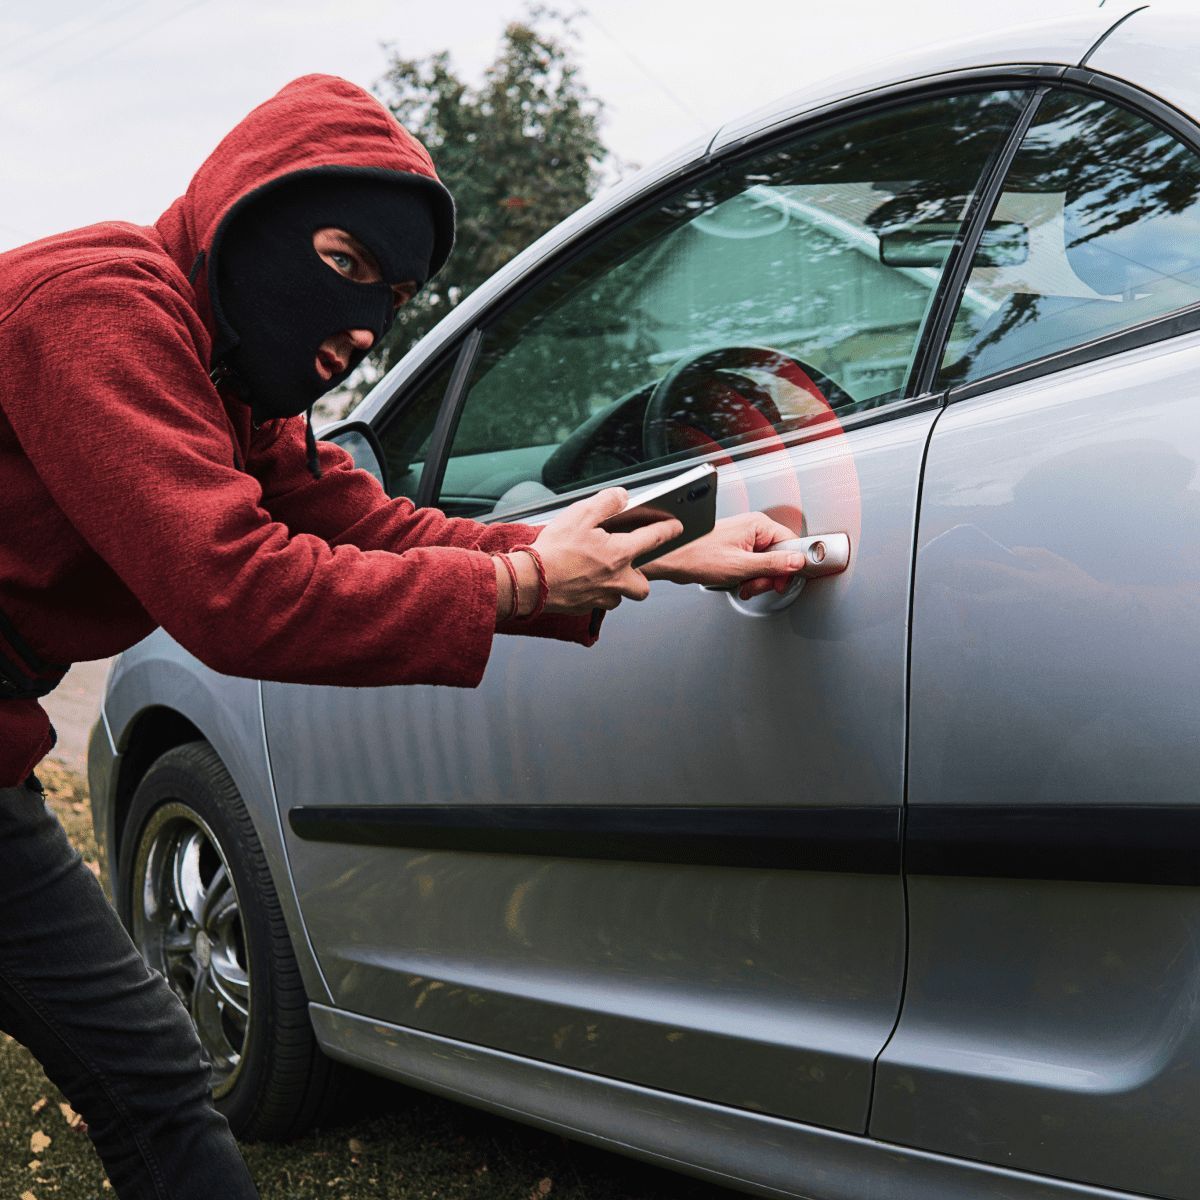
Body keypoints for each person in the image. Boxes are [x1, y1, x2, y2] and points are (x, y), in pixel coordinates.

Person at [0, 74, 808, 1196]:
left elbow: (374, 526)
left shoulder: (232, 390)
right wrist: (526, 584)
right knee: (151, 1083)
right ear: (250, 211)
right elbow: (236, 589)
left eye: (394, 296)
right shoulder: (102, 311)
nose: (364, 327)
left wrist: (660, 548)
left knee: (151, 1083)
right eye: (344, 264)